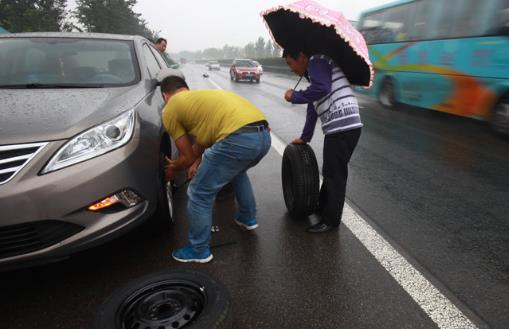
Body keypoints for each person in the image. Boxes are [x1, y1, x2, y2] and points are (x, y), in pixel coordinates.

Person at [161, 72, 271, 263]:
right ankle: (247, 218)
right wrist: (195, 162)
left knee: (198, 192)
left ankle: (198, 250)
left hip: (237, 138)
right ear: (184, 89)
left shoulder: (170, 109)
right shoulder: (200, 101)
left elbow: (186, 157)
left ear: (165, 95)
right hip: (263, 136)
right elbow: (199, 148)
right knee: (237, 172)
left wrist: (173, 168)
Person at [283, 48, 362, 233]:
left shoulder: (317, 61)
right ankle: (323, 206)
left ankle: (330, 220)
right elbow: (313, 108)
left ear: (301, 57)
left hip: (342, 126)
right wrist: (305, 138)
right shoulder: (315, 73)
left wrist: (295, 96)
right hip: (344, 126)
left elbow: (323, 89)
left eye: (290, 63)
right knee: (331, 171)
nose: (290, 68)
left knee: (335, 175)